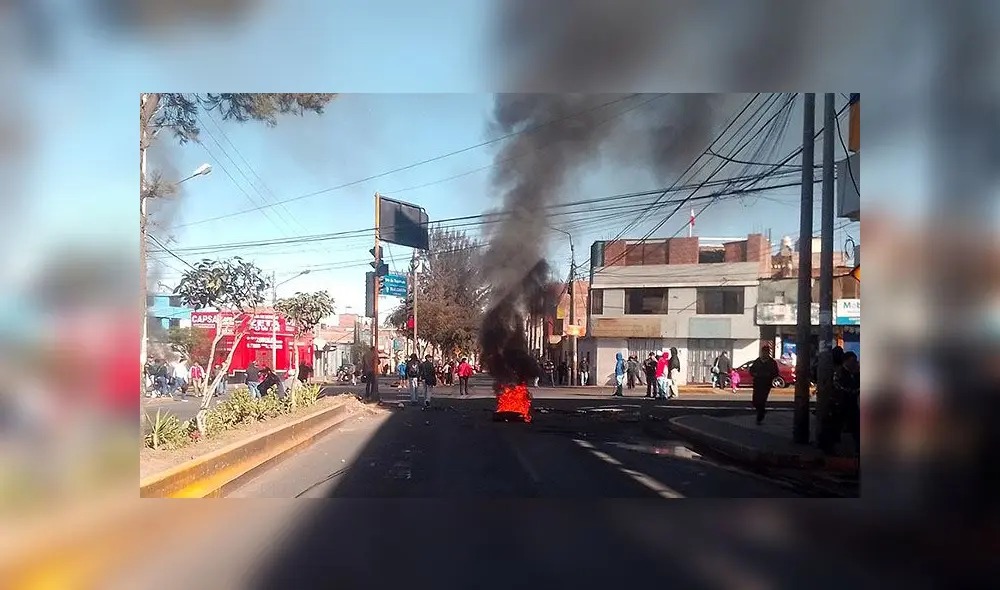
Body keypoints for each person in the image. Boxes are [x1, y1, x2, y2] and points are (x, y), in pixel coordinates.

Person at [748, 345, 780, 424]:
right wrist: (754, 374)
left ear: (768, 353)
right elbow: (751, 370)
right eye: (763, 352)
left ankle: (760, 416)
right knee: (755, 400)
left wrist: (769, 375)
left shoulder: (772, 362)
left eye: (766, 352)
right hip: (757, 383)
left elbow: (776, 373)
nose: (764, 353)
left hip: (766, 384)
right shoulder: (758, 361)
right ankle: (761, 411)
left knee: (762, 400)